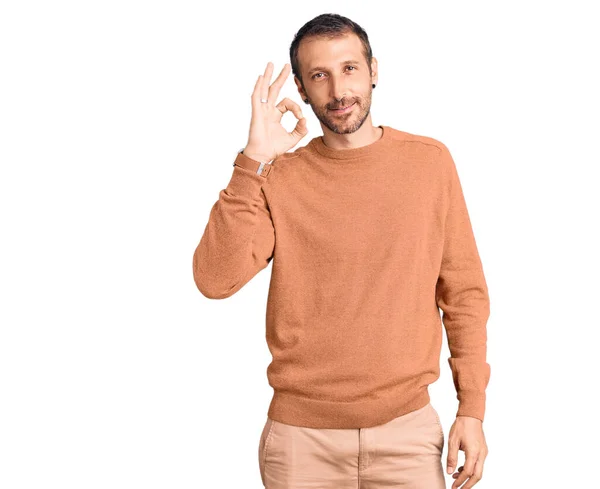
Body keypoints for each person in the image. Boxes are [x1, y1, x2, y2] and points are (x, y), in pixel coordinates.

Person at [192, 12, 490, 489]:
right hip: (300, 441)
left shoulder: (429, 163)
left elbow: (463, 294)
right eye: (319, 76)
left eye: (349, 69)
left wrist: (471, 409)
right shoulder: (280, 176)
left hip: (408, 433)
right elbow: (214, 279)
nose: (338, 91)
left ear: (374, 70)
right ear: (302, 89)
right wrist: (253, 161)